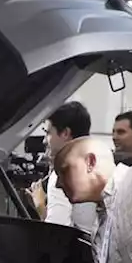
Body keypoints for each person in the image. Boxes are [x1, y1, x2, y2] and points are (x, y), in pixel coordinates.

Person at [39, 102, 98, 238]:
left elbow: (56, 234)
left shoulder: (63, 173)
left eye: (48, 132)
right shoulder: (100, 162)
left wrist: (40, 205)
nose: (44, 141)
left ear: (65, 133)